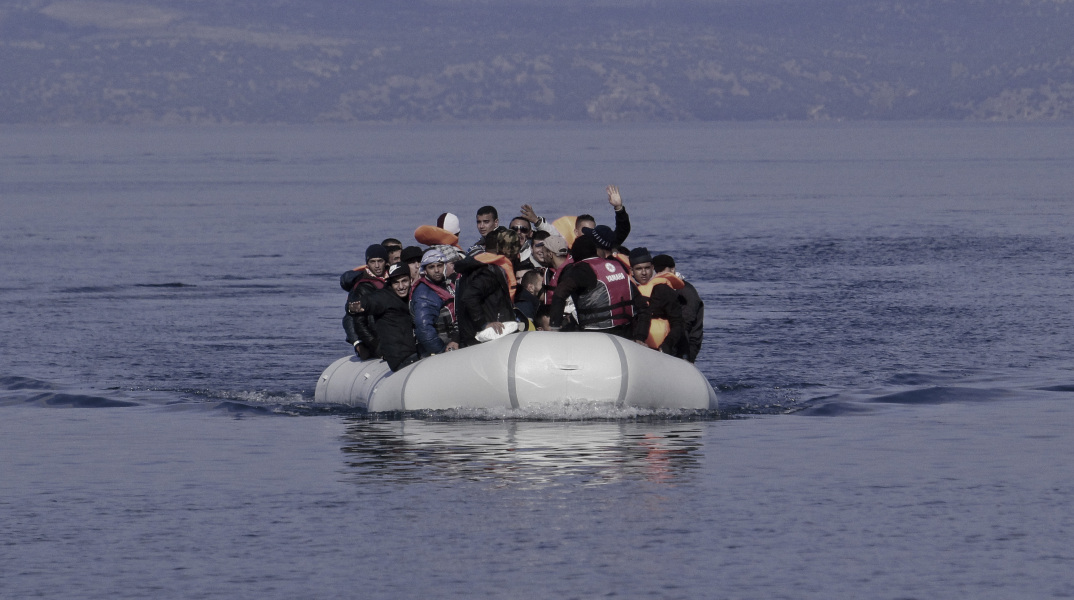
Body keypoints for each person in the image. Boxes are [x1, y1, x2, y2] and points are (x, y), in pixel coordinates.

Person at [548, 231, 650, 343]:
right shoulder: (617, 267)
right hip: (625, 336)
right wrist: (640, 337)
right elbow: (644, 308)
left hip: (596, 338)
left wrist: (555, 327)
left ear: (576, 255)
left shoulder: (581, 270)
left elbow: (559, 293)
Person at [454, 228, 520, 346]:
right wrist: (484, 323)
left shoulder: (477, 267)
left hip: (476, 337)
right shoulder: (488, 272)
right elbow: (469, 297)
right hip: (483, 339)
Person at [355, 263, 421, 371]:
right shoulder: (384, 297)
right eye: (396, 282)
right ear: (391, 283)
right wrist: (355, 307)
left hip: (417, 354)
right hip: (401, 360)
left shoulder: (414, 295)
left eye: (404, 281)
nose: (401, 287)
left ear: (410, 280)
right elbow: (369, 302)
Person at [629, 247, 684, 355]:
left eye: (647, 268)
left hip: (661, 350)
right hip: (636, 348)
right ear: (631, 271)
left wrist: (666, 346)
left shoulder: (663, 290)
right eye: (639, 269)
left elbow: (678, 323)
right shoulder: (628, 290)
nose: (644, 273)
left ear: (653, 268)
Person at [341, 244, 389, 359]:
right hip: (373, 340)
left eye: (380, 261)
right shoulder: (360, 286)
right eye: (373, 262)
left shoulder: (395, 280)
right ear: (367, 263)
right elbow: (349, 317)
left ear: (386, 262)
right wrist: (358, 343)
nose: (377, 266)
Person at [653, 254, 704, 363]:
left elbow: (685, 324)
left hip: (686, 346)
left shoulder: (686, 292)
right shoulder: (659, 288)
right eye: (656, 270)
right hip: (666, 343)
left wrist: (685, 356)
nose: (659, 273)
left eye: (662, 270)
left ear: (672, 269)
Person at [411, 248, 460, 357]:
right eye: (431, 267)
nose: (436, 270)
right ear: (425, 270)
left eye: (439, 265)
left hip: (453, 342)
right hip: (440, 350)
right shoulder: (424, 294)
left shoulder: (447, 285)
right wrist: (441, 351)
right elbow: (424, 329)